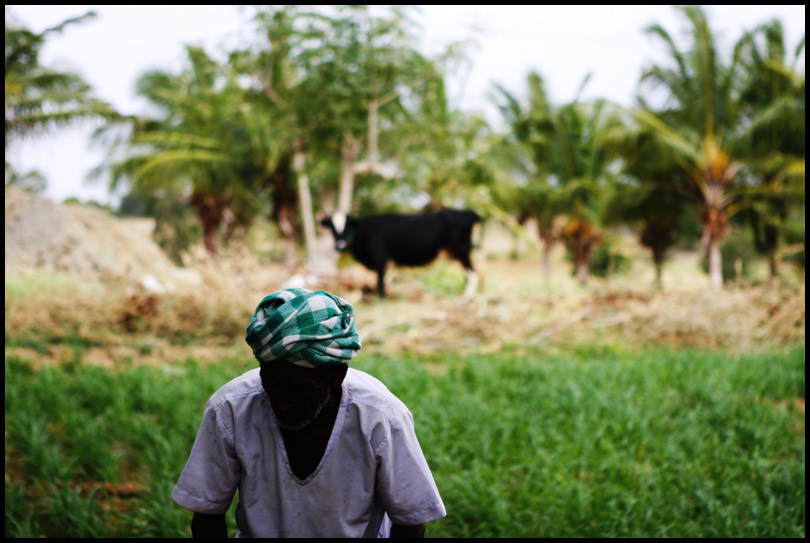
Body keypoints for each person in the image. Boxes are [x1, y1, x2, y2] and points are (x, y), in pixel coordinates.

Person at [170, 288, 446, 538]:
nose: (282, 402)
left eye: (296, 389)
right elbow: (207, 516)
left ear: (336, 376)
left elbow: (410, 522)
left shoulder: (380, 415)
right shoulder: (230, 408)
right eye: (272, 384)